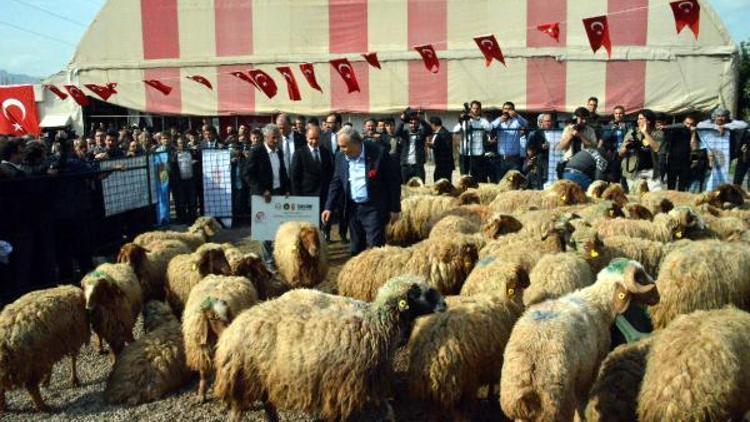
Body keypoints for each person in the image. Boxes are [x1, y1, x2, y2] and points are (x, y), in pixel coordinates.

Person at [322, 127, 401, 256]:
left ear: (356, 143)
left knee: (375, 249)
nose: (341, 150)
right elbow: (336, 182)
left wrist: (395, 208)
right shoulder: (340, 157)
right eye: (340, 146)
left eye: (344, 146)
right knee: (356, 249)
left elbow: (393, 182)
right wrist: (328, 207)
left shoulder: (379, 153)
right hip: (353, 209)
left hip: (374, 208)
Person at [244, 124, 290, 271]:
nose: (276, 140)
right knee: (264, 231)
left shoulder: (279, 152)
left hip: (277, 194)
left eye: (278, 137)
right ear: (266, 137)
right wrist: (262, 190)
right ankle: (269, 263)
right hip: (262, 197)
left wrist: (287, 189)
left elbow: (282, 172)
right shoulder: (256, 152)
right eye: (274, 138)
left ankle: (274, 259)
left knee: (276, 230)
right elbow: (247, 174)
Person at [291, 126, 334, 238]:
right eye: (311, 138)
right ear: (306, 137)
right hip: (306, 197)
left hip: (323, 197)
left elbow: (330, 174)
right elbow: (295, 178)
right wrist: (298, 199)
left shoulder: (326, 153)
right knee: (308, 230)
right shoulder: (299, 153)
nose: (314, 141)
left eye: (317, 138)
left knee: (322, 227)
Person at [619, 109, 664, 192]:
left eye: (641, 119)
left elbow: (657, 148)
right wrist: (625, 147)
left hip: (652, 171)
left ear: (649, 121)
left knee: (657, 194)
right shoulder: (632, 133)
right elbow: (620, 153)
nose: (638, 121)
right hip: (633, 171)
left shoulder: (657, 133)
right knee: (636, 195)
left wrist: (645, 133)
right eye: (638, 119)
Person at [320, 113, 348, 242]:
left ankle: (343, 233)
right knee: (328, 205)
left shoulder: (346, 137)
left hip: (342, 178)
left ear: (338, 123)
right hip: (326, 179)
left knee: (343, 207)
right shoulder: (322, 137)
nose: (328, 125)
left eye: (331, 122)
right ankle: (326, 233)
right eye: (327, 122)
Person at [488, 101, 528, 182]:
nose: (507, 111)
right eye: (505, 109)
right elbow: (490, 127)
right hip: (501, 158)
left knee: (514, 183)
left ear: (513, 110)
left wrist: (517, 116)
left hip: (514, 159)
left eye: (510, 109)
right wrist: (499, 120)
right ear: (502, 110)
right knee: (501, 181)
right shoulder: (499, 121)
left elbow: (525, 124)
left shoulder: (517, 121)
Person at [454, 100, 492, 182]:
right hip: (465, 151)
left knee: (477, 176)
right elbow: (455, 130)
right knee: (464, 176)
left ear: (480, 110)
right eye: (473, 108)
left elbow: (489, 127)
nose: (475, 110)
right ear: (470, 109)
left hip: (477, 152)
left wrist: (475, 118)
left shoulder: (482, 120)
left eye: (477, 108)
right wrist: (462, 120)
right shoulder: (466, 120)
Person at [557, 107, 597, 179]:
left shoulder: (590, 130)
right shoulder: (568, 129)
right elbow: (561, 147)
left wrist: (580, 136)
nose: (584, 121)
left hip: (584, 163)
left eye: (585, 119)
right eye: (581, 119)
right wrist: (570, 136)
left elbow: (592, 147)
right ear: (575, 118)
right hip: (568, 161)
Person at [662, 115, 698, 191]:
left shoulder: (693, 133)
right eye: (687, 123)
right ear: (683, 123)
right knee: (671, 187)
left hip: (685, 162)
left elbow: (694, 148)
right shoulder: (675, 131)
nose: (688, 126)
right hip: (672, 161)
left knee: (682, 187)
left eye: (691, 124)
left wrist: (693, 133)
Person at [396, 112, 431, 184]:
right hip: (405, 166)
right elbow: (397, 132)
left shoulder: (421, 133)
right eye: (411, 123)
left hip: (418, 166)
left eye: (415, 123)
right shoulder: (405, 133)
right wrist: (402, 120)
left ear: (418, 124)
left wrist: (422, 120)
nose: (413, 125)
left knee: (420, 187)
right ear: (408, 124)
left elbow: (429, 131)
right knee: (405, 187)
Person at [524, 113, 553, 189]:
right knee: (541, 184)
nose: (548, 123)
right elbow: (529, 150)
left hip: (553, 162)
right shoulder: (535, 133)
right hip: (540, 162)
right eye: (546, 121)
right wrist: (540, 147)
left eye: (549, 121)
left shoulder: (555, 132)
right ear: (542, 122)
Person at [277, 113, 305, 180]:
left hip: (299, 178)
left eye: (283, 128)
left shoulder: (301, 139)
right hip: (282, 180)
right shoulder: (276, 141)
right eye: (279, 128)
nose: (281, 131)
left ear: (290, 125)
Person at [427, 116, 454, 182]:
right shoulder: (437, 133)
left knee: (444, 184)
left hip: (445, 165)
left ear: (433, 124)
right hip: (439, 164)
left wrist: (433, 146)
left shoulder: (445, 133)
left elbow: (445, 148)